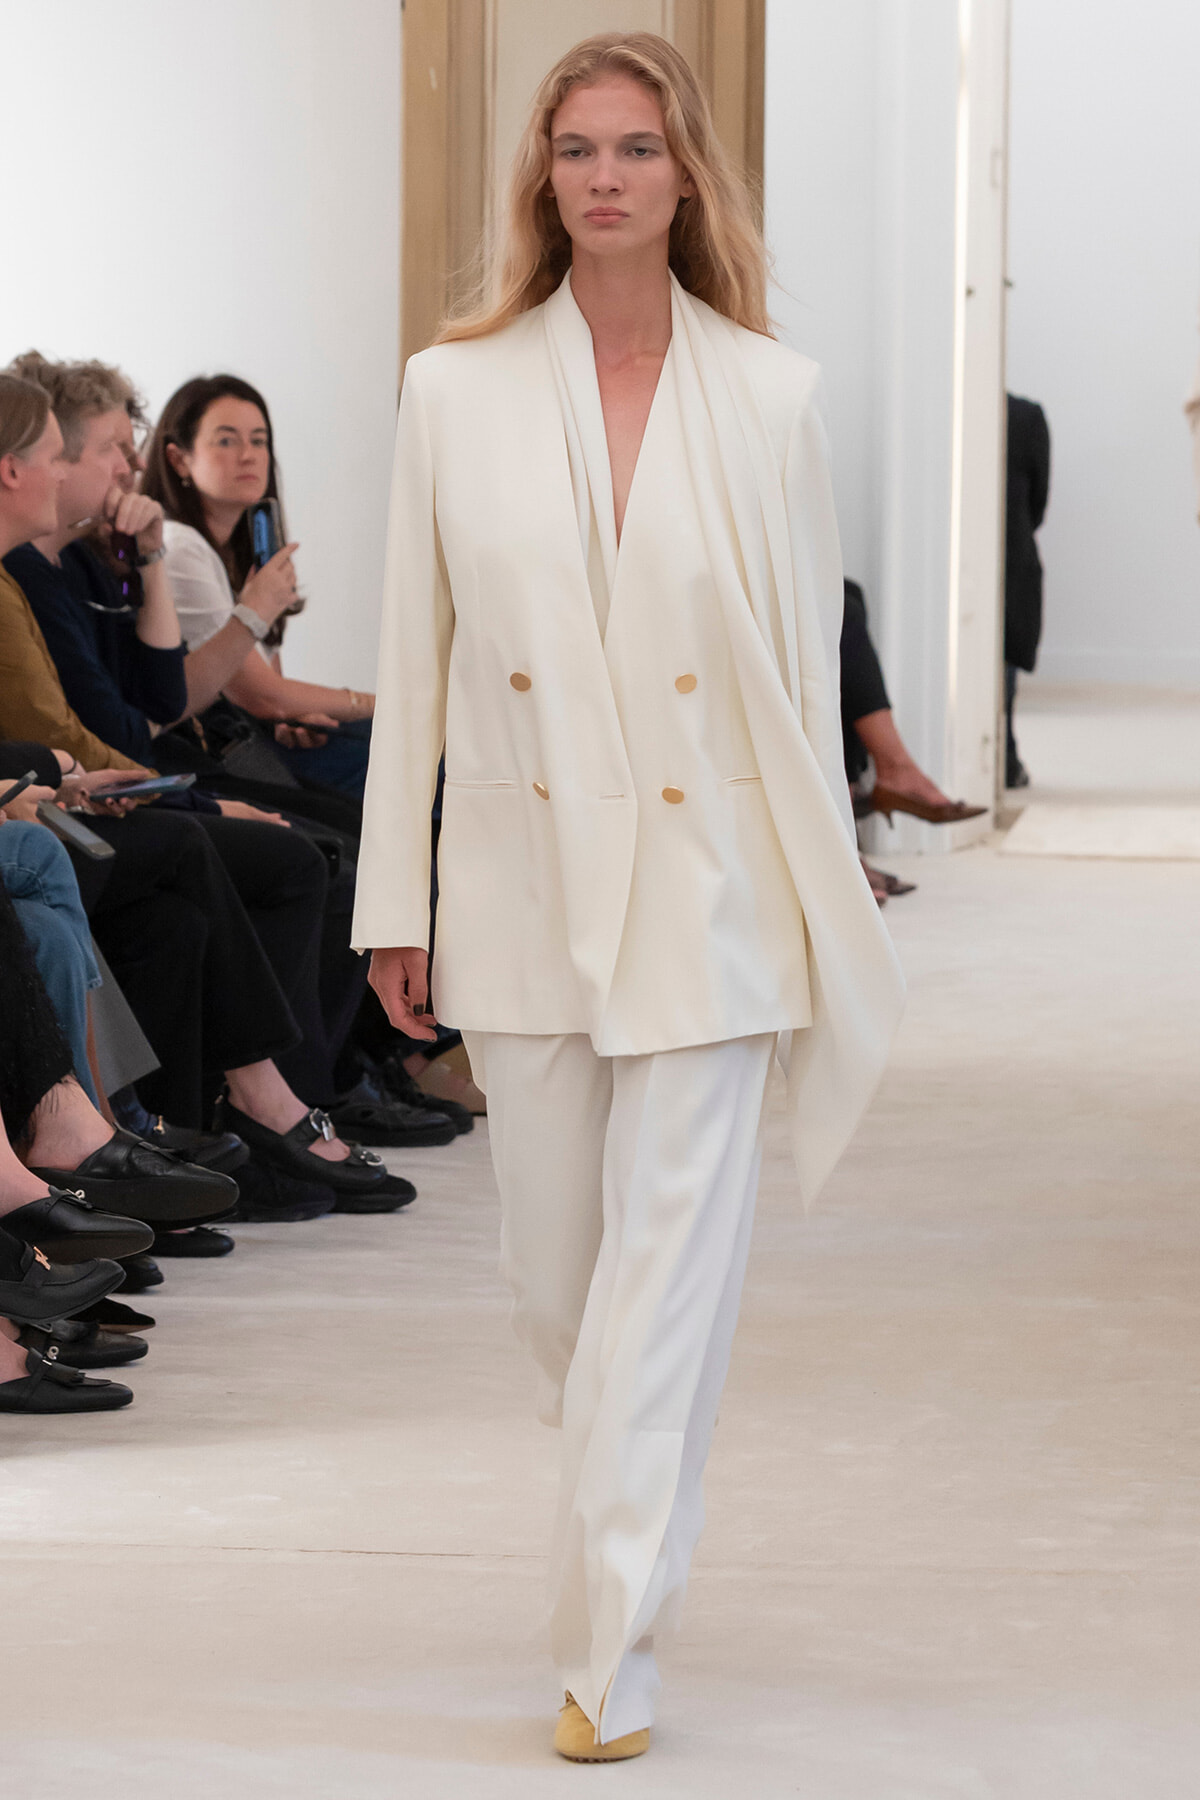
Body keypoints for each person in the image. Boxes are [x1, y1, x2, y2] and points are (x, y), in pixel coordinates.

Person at [354, 32, 904, 1761]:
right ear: (543, 177)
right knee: (559, 1290)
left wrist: (827, 913)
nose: (606, 175)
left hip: (717, 889)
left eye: (639, 148)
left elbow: (802, 689)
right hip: (524, 886)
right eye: (578, 147)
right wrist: (393, 899)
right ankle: (622, 1564)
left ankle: (613, 1647)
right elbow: (415, 670)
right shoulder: (451, 390)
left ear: (688, 178)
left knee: (664, 1293)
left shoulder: (775, 396)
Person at [141, 374, 375, 799]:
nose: (248, 456)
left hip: (262, 742)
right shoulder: (180, 549)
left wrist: (290, 723)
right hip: (218, 764)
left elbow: (270, 699)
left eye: (259, 440)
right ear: (178, 460)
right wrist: (383, 704)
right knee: (408, 749)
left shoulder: (243, 550)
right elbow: (266, 696)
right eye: (226, 441)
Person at [1004, 393, 1051, 788]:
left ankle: (1001, 752)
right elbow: (1039, 503)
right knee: (1005, 659)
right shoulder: (1026, 417)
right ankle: (1003, 751)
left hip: (1008, 556)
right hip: (1014, 552)